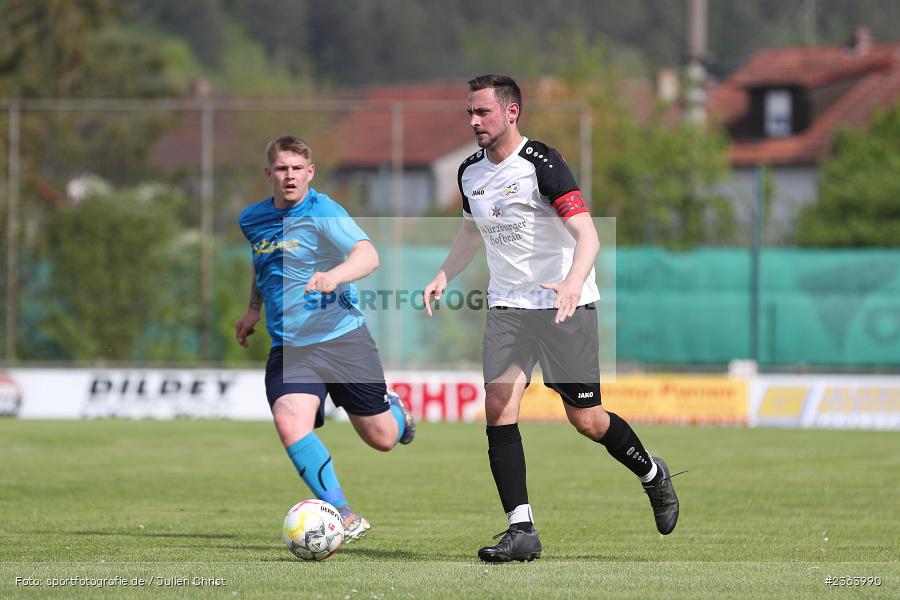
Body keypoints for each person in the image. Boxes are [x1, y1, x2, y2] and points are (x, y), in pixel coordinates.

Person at [423, 75, 680, 562]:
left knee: (587, 420)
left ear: (512, 112)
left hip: (563, 306)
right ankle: (521, 529)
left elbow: (588, 235)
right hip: (508, 307)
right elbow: (471, 232)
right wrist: (444, 273)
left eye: (483, 112)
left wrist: (572, 283)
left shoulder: (543, 164)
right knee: (499, 405)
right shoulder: (469, 172)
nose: (474, 120)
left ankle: (653, 474)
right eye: (470, 112)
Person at [236, 135, 415, 542]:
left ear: (310, 172)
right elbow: (263, 264)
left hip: (342, 339)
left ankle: (397, 414)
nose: (290, 176)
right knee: (289, 420)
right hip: (291, 348)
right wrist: (252, 310)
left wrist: (334, 276)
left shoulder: (324, 211)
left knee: (382, 438)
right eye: (282, 169)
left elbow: (368, 255)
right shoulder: (252, 219)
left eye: (297, 169)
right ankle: (343, 513)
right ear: (269, 173)